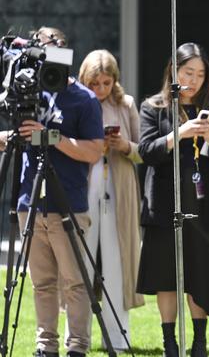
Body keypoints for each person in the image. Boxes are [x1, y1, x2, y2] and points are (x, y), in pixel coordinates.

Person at [0, 27, 104, 357]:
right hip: (29, 201)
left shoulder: (83, 99)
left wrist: (51, 137)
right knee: (42, 283)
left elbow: (94, 151)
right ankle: (46, 347)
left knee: (74, 283)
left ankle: (77, 348)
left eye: (53, 50)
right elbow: (16, 134)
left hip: (68, 202)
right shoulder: (29, 91)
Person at [137, 42, 209, 357]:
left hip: (204, 205)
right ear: (174, 71)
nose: (193, 80)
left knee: (200, 275)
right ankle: (169, 343)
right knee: (167, 276)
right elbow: (146, 152)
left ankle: (200, 343)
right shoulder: (153, 107)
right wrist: (178, 134)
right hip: (165, 204)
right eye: (187, 72)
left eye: (199, 74)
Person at [78, 49, 144, 350]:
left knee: (117, 262)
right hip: (86, 185)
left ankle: (117, 337)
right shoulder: (78, 102)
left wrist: (123, 144)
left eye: (106, 83)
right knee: (82, 259)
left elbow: (144, 150)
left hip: (119, 188)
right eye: (95, 84)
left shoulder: (126, 103)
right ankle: (79, 335)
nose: (101, 89)